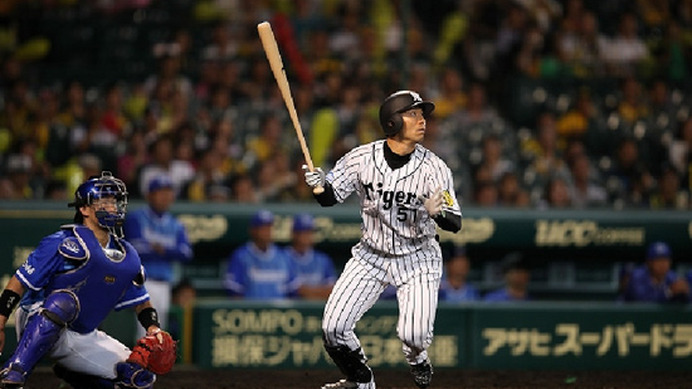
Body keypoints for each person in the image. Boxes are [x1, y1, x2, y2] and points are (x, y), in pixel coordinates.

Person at [303, 90, 462, 389]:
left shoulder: (434, 168)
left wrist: (437, 213)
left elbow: (455, 222)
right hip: (370, 255)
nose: (421, 119)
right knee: (333, 328)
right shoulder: (362, 158)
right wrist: (317, 184)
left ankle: (417, 359)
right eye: (412, 114)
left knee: (414, 336)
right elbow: (329, 197)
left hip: (418, 257)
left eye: (422, 114)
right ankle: (360, 380)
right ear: (392, 122)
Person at [0, 171, 164, 388]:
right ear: (84, 209)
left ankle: (74, 377)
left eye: (114, 201)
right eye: (103, 201)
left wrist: (154, 328)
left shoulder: (127, 255)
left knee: (139, 379)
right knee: (64, 302)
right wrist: (0, 321)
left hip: (82, 333)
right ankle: (14, 370)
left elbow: (143, 302)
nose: (112, 206)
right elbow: (19, 282)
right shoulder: (63, 242)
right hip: (38, 318)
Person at [123, 174, 193, 339]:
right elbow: (136, 248)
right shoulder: (137, 218)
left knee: (159, 333)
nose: (165, 197)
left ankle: (151, 364)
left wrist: (160, 249)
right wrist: (167, 251)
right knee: (145, 331)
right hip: (143, 283)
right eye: (160, 192)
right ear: (150, 195)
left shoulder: (176, 224)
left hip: (166, 284)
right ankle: (140, 364)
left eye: (168, 192)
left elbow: (186, 253)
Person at [223, 209, 300, 300]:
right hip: (251, 312)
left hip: (280, 312)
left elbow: (293, 291)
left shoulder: (283, 256)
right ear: (253, 231)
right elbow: (234, 291)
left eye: (269, 228)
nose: (266, 232)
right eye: (262, 228)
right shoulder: (241, 256)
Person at [283, 213, 337, 300]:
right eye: (302, 232)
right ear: (294, 234)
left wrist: (309, 291)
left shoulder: (323, 259)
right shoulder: (284, 257)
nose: (306, 236)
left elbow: (333, 291)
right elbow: (297, 291)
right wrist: (320, 292)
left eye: (309, 232)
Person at [620, 241, 689, 303]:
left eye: (665, 260)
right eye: (659, 260)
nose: (663, 264)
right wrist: (669, 292)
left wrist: (684, 294)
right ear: (649, 263)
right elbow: (642, 301)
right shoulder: (636, 277)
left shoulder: (672, 277)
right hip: (626, 315)